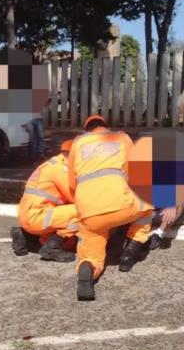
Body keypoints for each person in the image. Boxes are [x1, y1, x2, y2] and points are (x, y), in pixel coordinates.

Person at [68, 115, 178, 301]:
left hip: (90, 213)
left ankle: (88, 269)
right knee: (146, 206)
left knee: (92, 249)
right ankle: (132, 247)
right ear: (105, 127)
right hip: (122, 205)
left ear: (87, 130)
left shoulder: (78, 144)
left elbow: (72, 184)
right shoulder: (121, 138)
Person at [11, 139, 78, 262]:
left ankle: (25, 236)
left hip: (27, 216)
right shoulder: (61, 170)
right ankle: (52, 248)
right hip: (38, 218)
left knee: (70, 243)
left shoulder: (50, 164)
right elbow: (75, 197)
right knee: (83, 211)